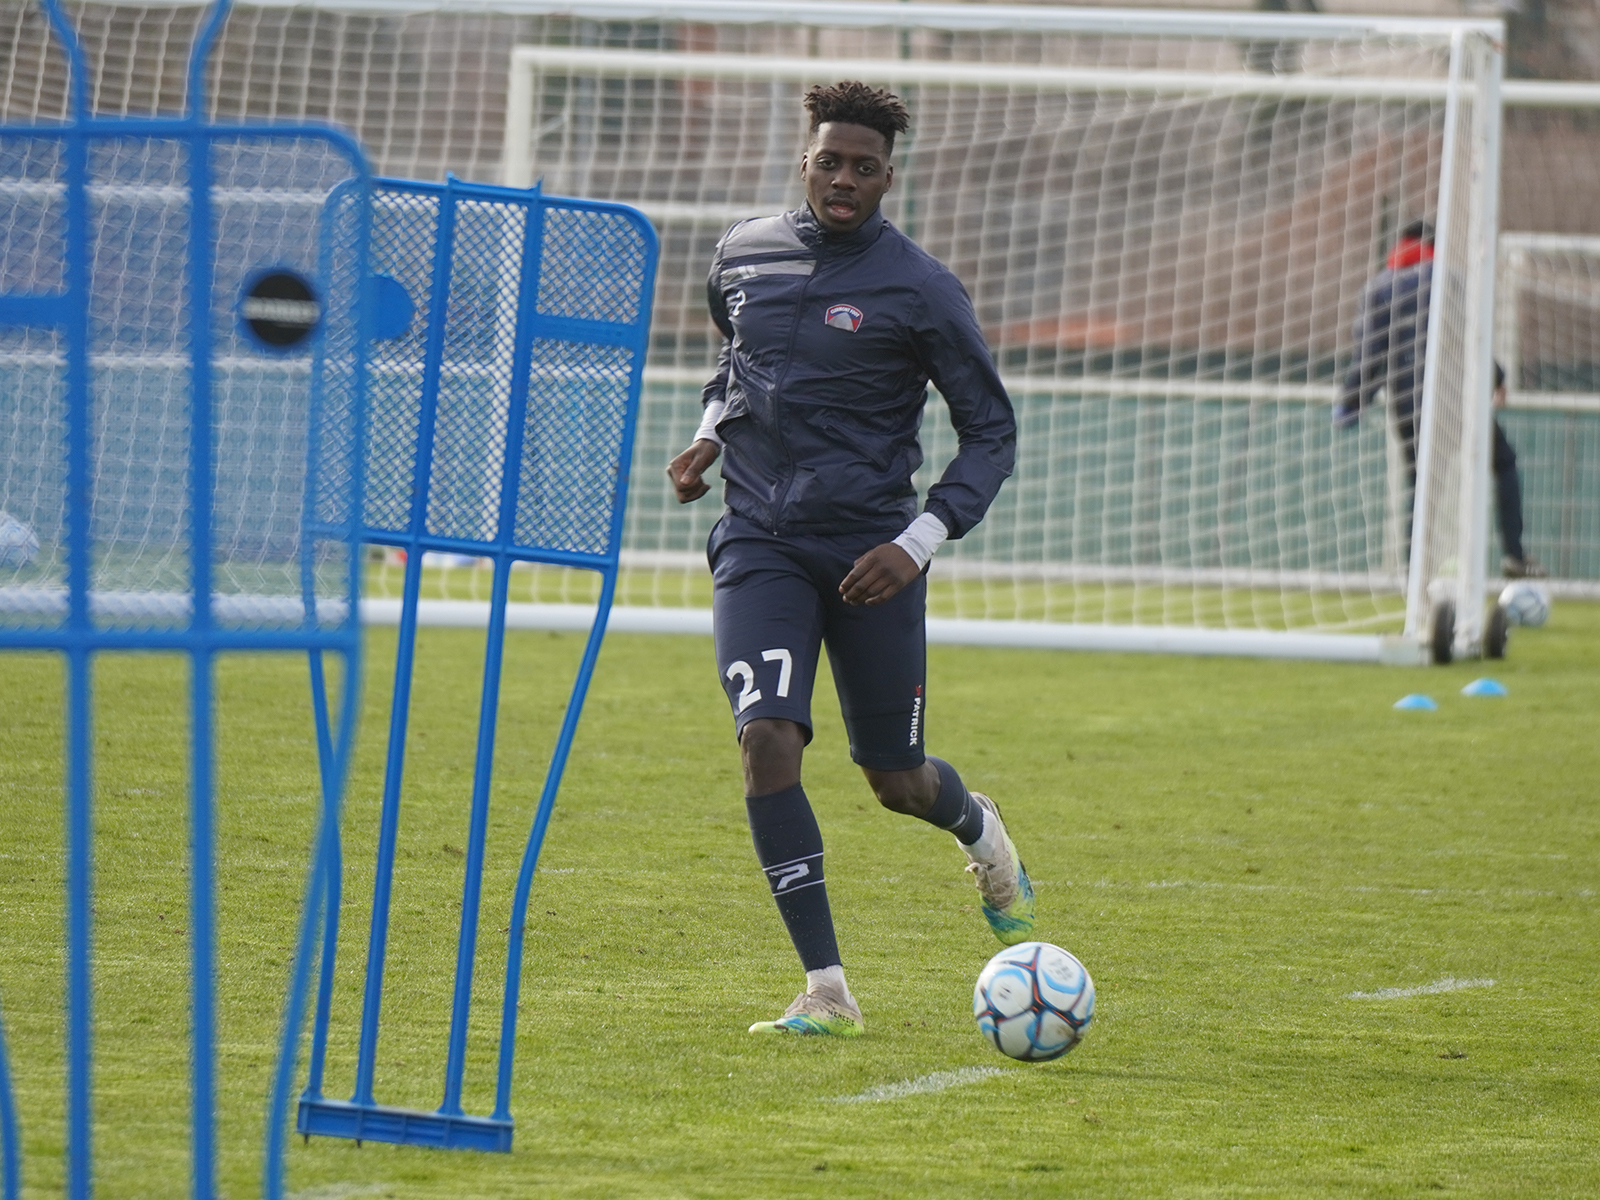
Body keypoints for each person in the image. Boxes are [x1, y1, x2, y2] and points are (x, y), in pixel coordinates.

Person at [666, 81, 1033, 1038]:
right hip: (758, 540)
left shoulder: (920, 287)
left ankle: (979, 828)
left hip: (873, 551)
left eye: (863, 167)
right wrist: (710, 433)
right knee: (766, 740)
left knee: (894, 779)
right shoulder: (744, 250)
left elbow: (990, 431)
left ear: (887, 177)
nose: (843, 179)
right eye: (831, 160)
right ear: (807, 158)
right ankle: (826, 987)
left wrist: (917, 543)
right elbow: (734, 361)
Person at [1336, 220, 1543, 578]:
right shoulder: (1450, 279)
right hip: (1456, 395)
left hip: (1406, 401)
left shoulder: (1377, 287)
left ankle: (1415, 567)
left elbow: (1370, 352)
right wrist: (1496, 378)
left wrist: (1353, 402)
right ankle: (1513, 552)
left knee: (1422, 482)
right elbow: (1469, 335)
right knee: (1503, 461)